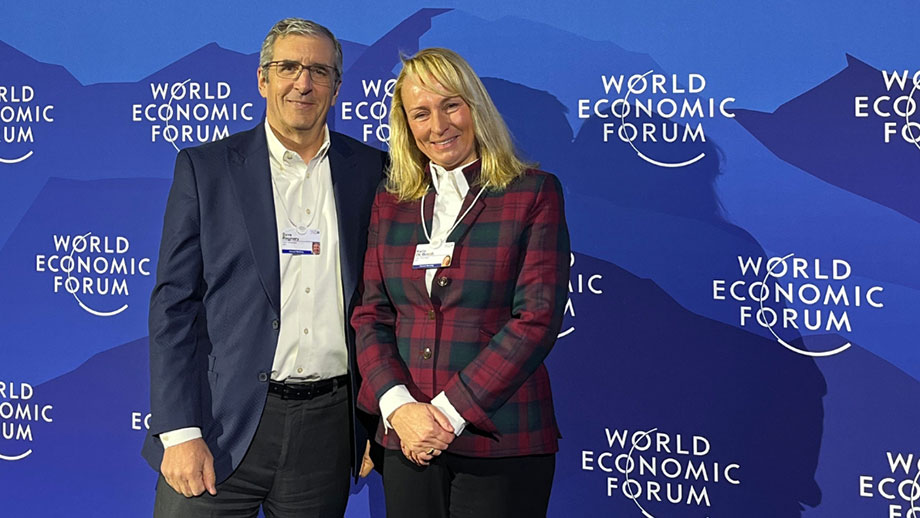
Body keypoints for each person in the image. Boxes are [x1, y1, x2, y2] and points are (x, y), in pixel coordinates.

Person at [142, 17, 386, 517]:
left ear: (337, 87)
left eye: (319, 70)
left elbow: (382, 302)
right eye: (289, 67)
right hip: (219, 427)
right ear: (262, 79)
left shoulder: (372, 171)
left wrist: (370, 421)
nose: (303, 82)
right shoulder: (206, 168)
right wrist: (180, 430)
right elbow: (173, 306)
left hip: (326, 431)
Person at [352, 48, 570, 518]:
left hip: (502, 439)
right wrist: (400, 409)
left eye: (451, 105)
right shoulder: (391, 202)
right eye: (421, 113)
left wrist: (446, 416)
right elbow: (371, 314)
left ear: (475, 106)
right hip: (406, 439)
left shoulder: (532, 193)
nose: (439, 125)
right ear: (406, 125)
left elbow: (535, 319)